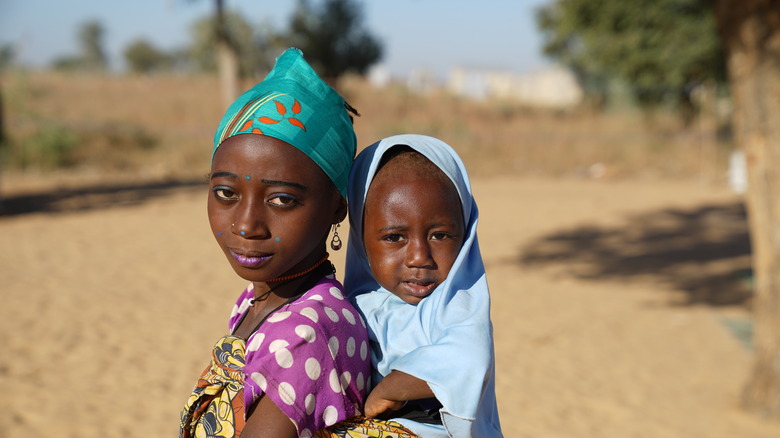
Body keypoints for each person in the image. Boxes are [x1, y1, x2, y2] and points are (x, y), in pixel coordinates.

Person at [179, 48, 370, 438]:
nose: (247, 225)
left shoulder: (306, 332)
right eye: (226, 193)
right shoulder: (257, 299)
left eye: (282, 199)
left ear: (337, 208)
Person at [343, 134, 504, 438]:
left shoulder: (454, 303)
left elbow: (468, 358)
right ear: (360, 238)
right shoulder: (356, 304)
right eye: (394, 238)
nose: (419, 258)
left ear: (465, 231)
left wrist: (389, 389)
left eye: (440, 235)